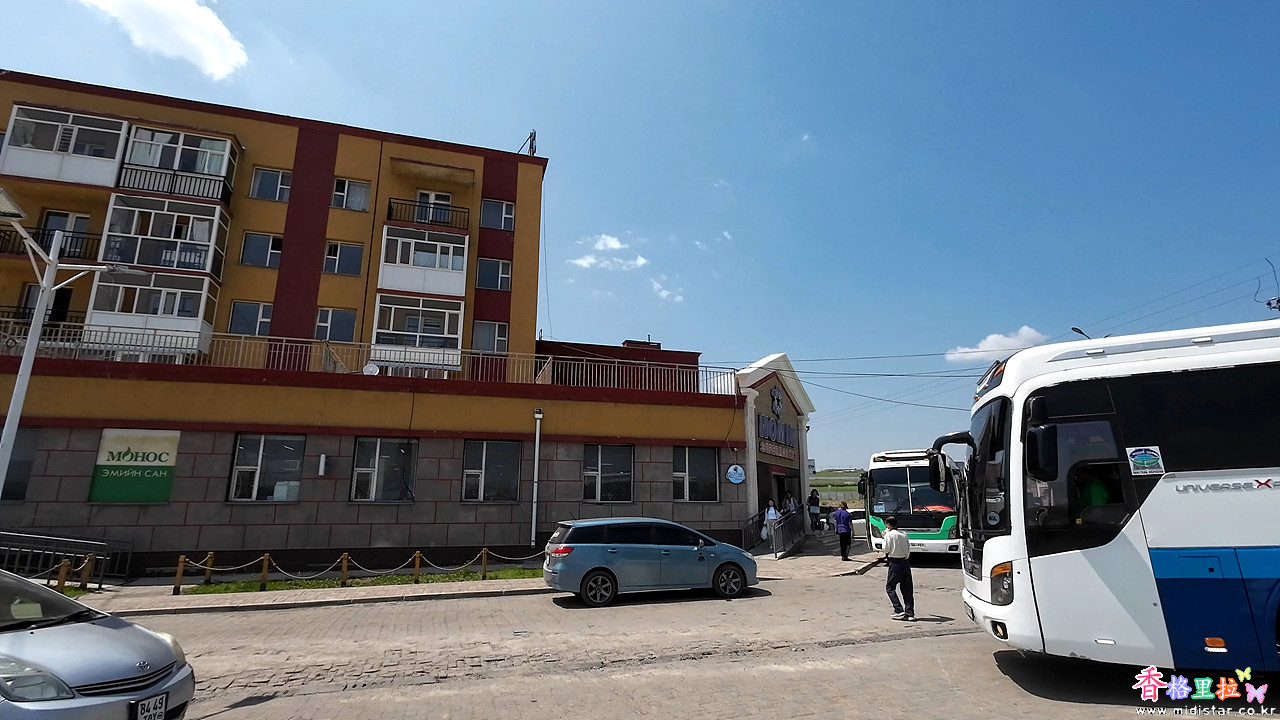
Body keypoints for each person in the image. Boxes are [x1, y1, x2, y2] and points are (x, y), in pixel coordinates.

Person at [882, 516, 914, 621]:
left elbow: (885, 549)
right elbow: (908, 548)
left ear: (887, 524)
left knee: (890, 587)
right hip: (905, 562)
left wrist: (884, 537)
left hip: (895, 562)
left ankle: (898, 609)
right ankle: (910, 613)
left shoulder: (888, 535)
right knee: (907, 589)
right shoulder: (904, 534)